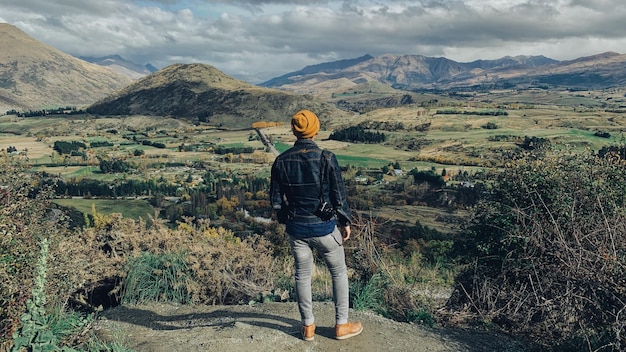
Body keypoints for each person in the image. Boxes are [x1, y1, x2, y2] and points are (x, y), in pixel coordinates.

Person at [270, 109, 363, 341]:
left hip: (296, 229)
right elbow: (338, 195)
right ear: (315, 129)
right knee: (339, 272)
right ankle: (341, 325)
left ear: (294, 130)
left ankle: (307, 327)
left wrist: (287, 219)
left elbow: (275, 201)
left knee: (302, 275)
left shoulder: (281, 161)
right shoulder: (326, 158)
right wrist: (344, 222)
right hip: (324, 227)